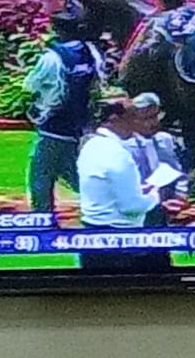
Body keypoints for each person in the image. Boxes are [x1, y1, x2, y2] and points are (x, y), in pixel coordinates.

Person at [76, 98, 174, 270]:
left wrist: (140, 190)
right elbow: (131, 206)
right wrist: (155, 195)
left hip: (92, 239)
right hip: (121, 245)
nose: (137, 123)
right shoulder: (117, 154)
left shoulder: (91, 146)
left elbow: (108, 189)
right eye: (132, 117)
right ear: (114, 119)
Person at [23, 9, 103, 214]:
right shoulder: (90, 52)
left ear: (58, 30)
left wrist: (36, 109)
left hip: (54, 124)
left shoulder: (53, 56)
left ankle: (42, 217)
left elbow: (32, 85)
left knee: (41, 174)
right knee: (72, 170)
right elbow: (97, 84)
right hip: (80, 124)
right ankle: (104, 200)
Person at [123, 92, 188, 226]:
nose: (153, 123)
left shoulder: (165, 140)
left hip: (166, 207)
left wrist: (180, 195)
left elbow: (177, 171)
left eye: (155, 117)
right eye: (145, 118)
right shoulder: (124, 146)